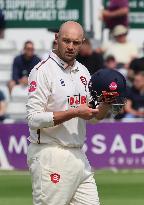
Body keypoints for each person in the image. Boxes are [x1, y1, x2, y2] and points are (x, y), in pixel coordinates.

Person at [26, 21, 114, 205]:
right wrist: (74, 112)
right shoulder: (42, 71)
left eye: (76, 42)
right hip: (50, 154)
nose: (70, 47)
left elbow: (93, 118)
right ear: (56, 38)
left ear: (82, 43)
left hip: (79, 155)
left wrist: (106, 103)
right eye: (66, 41)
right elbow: (33, 119)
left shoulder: (83, 71)